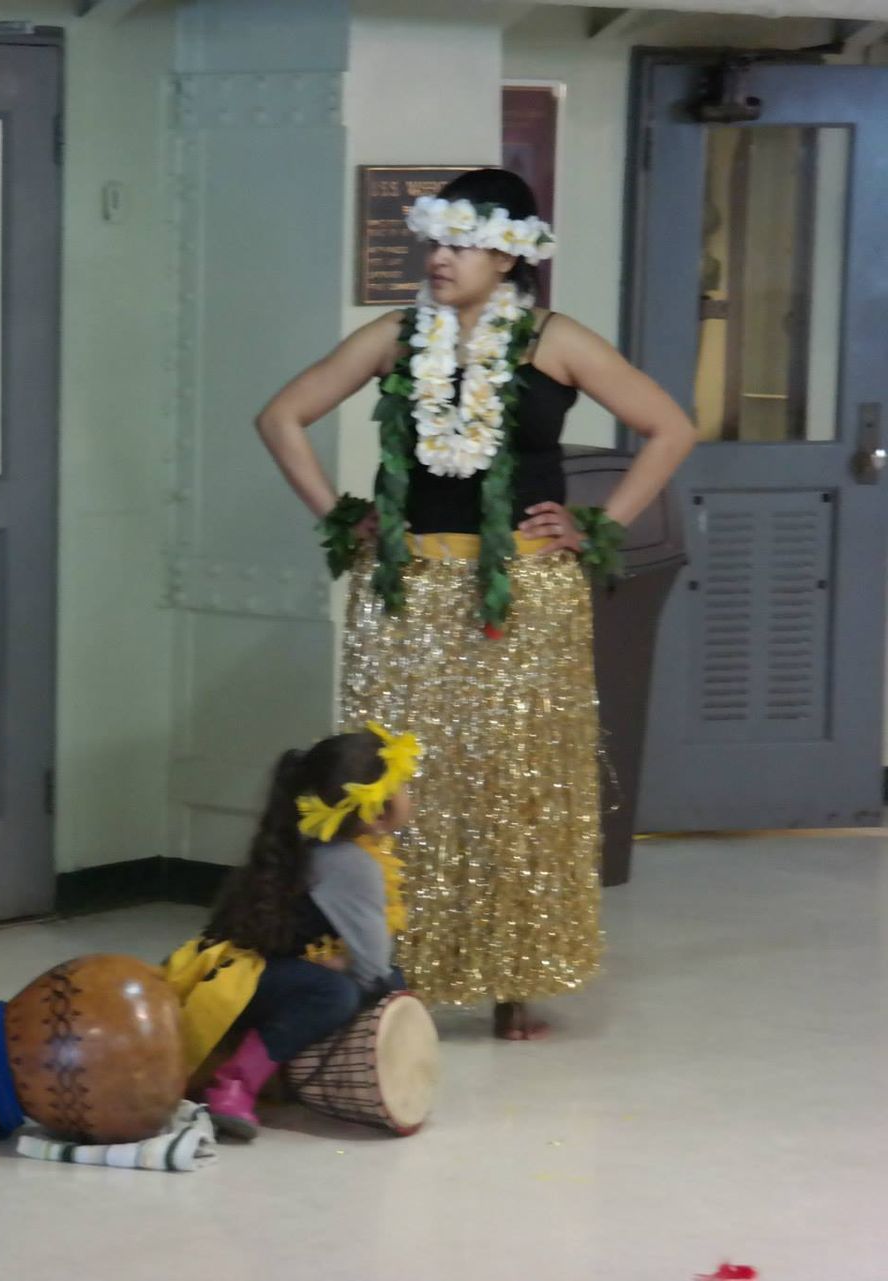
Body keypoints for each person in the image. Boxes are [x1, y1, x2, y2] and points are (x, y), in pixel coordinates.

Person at [255, 169, 695, 1039]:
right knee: (395, 779)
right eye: (437, 241)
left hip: (524, 594)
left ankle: (512, 975)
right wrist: (342, 515)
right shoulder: (396, 335)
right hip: (410, 591)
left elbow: (670, 427)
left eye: (461, 244)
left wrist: (600, 523)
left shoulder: (555, 340)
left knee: (515, 779)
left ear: (508, 256)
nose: (440, 258)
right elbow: (281, 416)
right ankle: (391, 966)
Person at [163, 724, 418, 1139]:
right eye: (403, 785)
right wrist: (342, 967)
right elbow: (372, 966)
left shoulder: (310, 842)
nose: (410, 793)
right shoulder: (352, 865)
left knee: (370, 983)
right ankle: (234, 1083)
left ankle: (279, 1068)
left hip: (246, 969)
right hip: (239, 984)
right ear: (374, 814)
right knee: (344, 991)